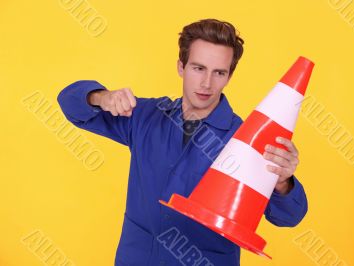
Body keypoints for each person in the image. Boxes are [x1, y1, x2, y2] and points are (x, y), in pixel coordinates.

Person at [58, 18, 308, 266]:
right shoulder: (145, 115)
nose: (207, 83)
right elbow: (70, 105)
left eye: (219, 72)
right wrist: (101, 97)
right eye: (198, 68)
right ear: (181, 67)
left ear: (229, 76)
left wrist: (283, 182)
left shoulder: (246, 140)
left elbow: (289, 217)